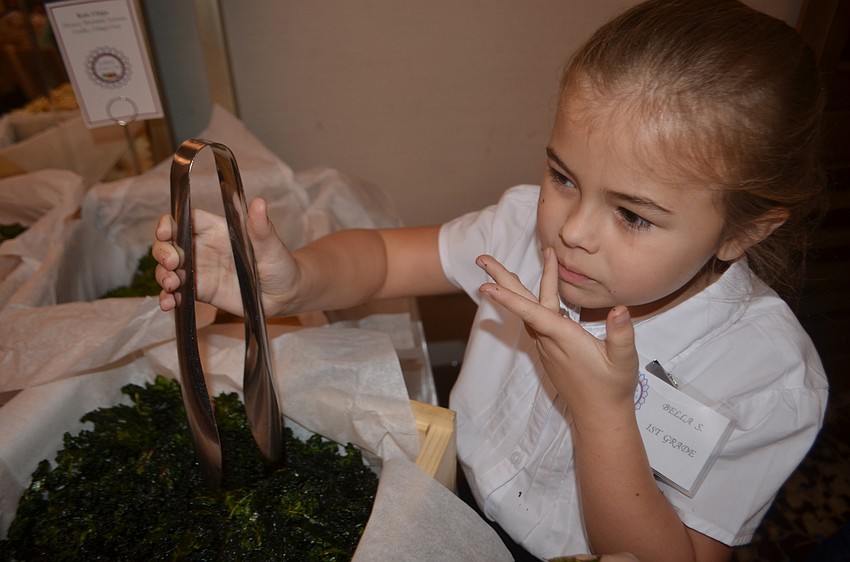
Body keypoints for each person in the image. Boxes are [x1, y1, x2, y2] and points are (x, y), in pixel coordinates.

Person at [152, 0, 829, 560]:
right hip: (460, 497)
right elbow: (387, 259)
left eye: (632, 215)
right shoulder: (520, 232)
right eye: (563, 177)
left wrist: (603, 416)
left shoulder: (767, 379)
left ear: (744, 231)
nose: (572, 231)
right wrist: (295, 281)